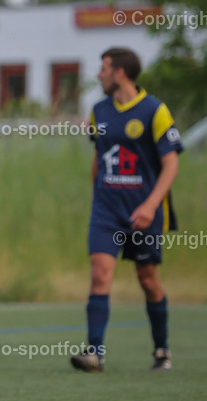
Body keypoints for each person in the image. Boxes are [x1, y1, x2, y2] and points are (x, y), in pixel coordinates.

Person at [70, 47, 183, 372]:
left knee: (147, 279)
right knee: (100, 275)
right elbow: (99, 157)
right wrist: (98, 198)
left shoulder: (154, 110)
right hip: (106, 210)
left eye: (103, 68)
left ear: (119, 73)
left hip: (143, 212)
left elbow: (171, 165)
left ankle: (161, 349)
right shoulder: (99, 111)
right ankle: (95, 353)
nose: (99, 75)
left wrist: (150, 205)